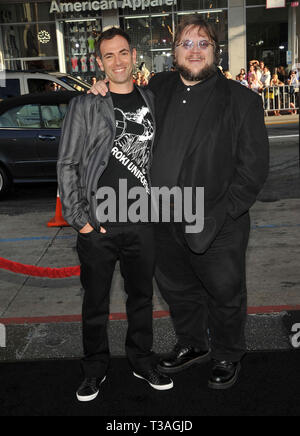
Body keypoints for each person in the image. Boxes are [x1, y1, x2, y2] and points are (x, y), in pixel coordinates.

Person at [90, 16, 269, 390]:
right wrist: (102, 92)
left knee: (224, 292)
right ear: (174, 53)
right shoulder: (159, 85)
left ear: (215, 51)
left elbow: (252, 172)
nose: (195, 51)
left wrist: (220, 215)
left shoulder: (242, 101)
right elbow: (125, 107)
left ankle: (227, 354)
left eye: (203, 44)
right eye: (187, 44)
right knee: (177, 290)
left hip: (217, 220)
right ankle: (193, 344)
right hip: (161, 215)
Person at [57, 27, 173, 403]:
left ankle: (142, 361)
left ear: (134, 55)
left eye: (123, 53)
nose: (118, 61)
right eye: (109, 56)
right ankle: (94, 370)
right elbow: (68, 164)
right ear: (100, 62)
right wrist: (81, 221)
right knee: (95, 304)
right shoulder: (86, 104)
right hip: (98, 226)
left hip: (142, 222)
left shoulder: (150, 98)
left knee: (141, 299)